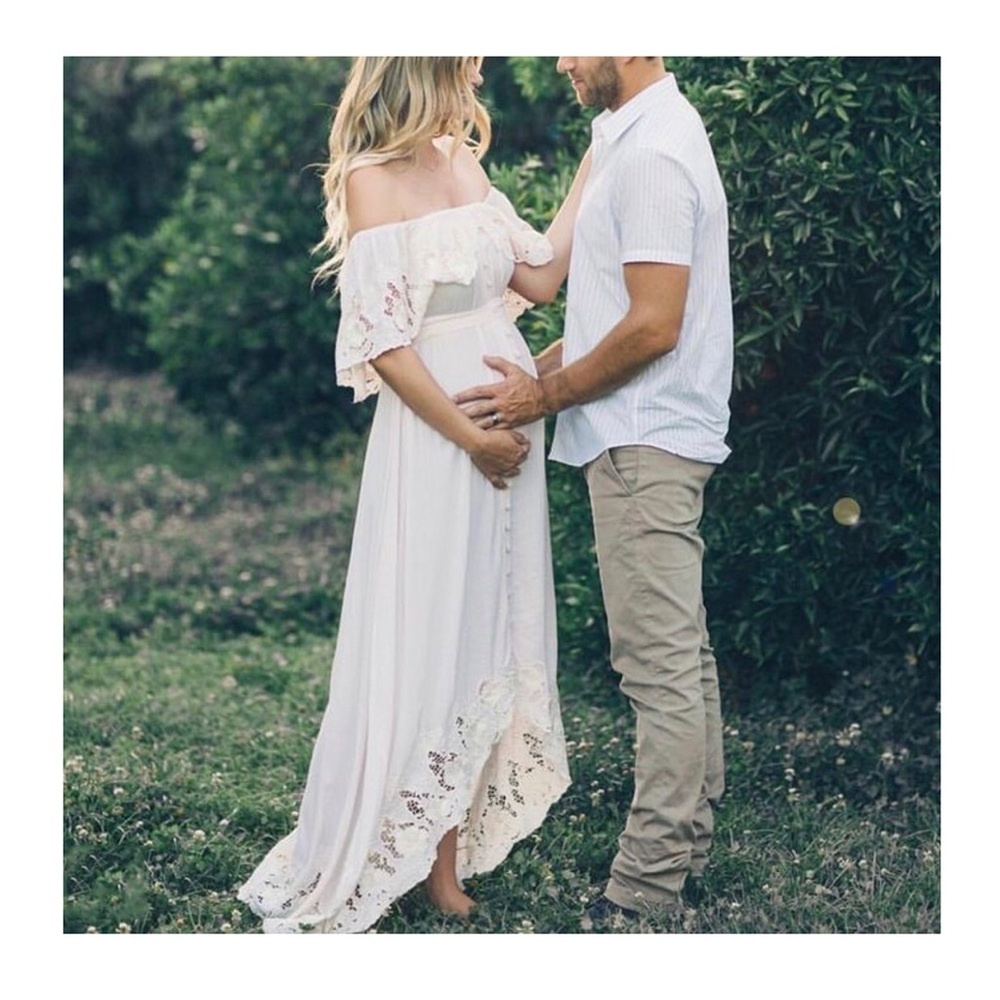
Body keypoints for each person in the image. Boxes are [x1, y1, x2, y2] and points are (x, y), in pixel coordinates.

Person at [237, 56, 590, 933]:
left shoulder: (459, 160)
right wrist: (470, 436)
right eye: (467, 61)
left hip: (506, 418)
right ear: (429, 65)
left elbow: (540, 279)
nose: (479, 75)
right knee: (435, 624)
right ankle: (421, 859)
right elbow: (386, 344)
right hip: (437, 439)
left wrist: (601, 155)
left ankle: (450, 847)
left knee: (490, 623)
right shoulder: (368, 180)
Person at [455, 57, 733, 922]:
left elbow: (653, 324)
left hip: (645, 438)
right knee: (680, 658)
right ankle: (684, 848)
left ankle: (646, 891)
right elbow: (609, 312)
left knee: (657, 669)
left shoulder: (653, 154)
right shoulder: (630, 139)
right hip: (641, 433)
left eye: (574, 41)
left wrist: (542, 396)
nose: (565, 63)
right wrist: (530, 377)